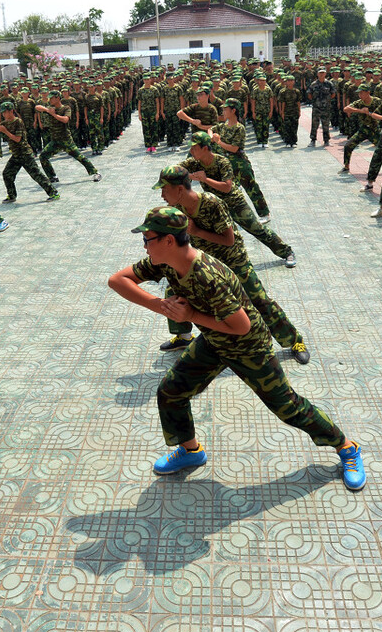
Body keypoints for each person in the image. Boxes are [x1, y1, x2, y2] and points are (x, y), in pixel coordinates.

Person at [107, 207, 365, 490]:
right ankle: (191, 451)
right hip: (214, 340)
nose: (144, 245)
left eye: (148, 239)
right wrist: (161, 306)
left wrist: (189, 316)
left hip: (248, 346)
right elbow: (117, 280)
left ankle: (347, 448)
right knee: (171, 391)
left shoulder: (207, 275)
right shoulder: (166, 261)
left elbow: (241, 326)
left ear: (169, 240)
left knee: (287, 407)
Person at [153, 166, 310, 363]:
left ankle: (295, 341)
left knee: (259, 300)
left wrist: (196, 231)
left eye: (164, 189)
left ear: (179, 189)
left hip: (234, 260)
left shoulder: (211, 203)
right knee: (174, 293)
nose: (162, 195)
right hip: (206, 263)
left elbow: (229, 240)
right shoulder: (178, 209)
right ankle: (183, 337)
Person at [180, 131, 297, 267]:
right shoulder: (195, 163)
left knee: (257, 229)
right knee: (206, 234)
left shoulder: (221, 162)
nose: (191, 151)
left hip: (235, 203)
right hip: (216, 207)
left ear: (205, 148)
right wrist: (188, 175)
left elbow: (227, 187)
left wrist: (205, 179)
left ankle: (287, 252)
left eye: (194, 148)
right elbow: (175, 170)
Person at [212, 99, 270, 223]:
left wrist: (218, 141)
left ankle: (264, 213)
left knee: (251, 188)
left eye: (225, 109)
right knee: (227, 191)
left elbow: (234, 148)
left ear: (233, 111)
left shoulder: (239, 128)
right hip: (226, 164)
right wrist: (213, 135)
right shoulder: (222, 126)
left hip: (239, 163)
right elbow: (210, 129)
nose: (223, 111)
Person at [0, 101, 60, 203]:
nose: (3, 114)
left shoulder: (18, 122)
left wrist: (5, 131)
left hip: (25, 154)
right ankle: (11, 195)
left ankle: (53, 193)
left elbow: (17, 139)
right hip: (16, 155)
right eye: (2, 113)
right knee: (7, 174)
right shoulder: (5, 123)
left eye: (4, 112)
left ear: (11, 111)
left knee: (36, 174)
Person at [36, 90, 102, 184]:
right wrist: (48, 110)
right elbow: (37, 107)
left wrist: (53, 114)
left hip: (65, 140)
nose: (49, 99)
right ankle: (52, 176)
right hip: (55, 140)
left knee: (79, 157)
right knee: (43, 157)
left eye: (51, 98)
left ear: (57, 98)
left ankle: (95, 173)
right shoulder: (50, 108)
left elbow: (65, 120)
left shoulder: (66, 108)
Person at [307, 67, 335, 146]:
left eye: (323, 73)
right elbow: (309, 93)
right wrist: (315, 101)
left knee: (325, 125)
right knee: (314, 124)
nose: (322, 74)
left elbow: (333, 93)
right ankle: (313, 140)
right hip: (316, 108)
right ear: (317, 74)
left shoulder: (329, 84)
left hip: (326, 108)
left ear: (325, 74)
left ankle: (326, 140)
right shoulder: (314, 84)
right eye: (320, 73)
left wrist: (327, 100)